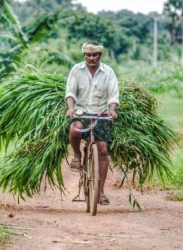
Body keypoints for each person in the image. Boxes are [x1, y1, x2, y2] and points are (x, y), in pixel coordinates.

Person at [65, 41, 119, 206]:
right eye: (88, 55)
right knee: (75, 129)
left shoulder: (108, 72)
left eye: (94, 55)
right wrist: (71, 108)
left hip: (101, 114)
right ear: (84, 56)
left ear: (99, 56)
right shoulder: (76, 70)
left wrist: (112, 109)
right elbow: (70, 93)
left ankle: (100, 192)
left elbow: (113, 95)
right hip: (81, 112)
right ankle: (77, 155)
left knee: (103, 149)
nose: (91, 58)